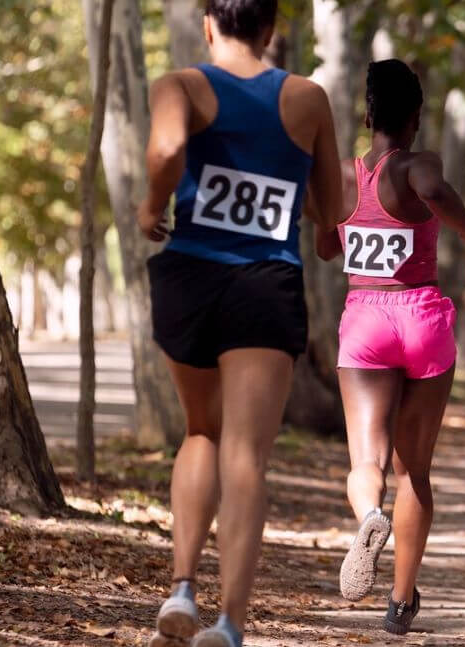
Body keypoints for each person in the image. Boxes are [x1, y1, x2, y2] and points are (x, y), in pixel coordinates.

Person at [136, 0, 342, 645]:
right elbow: (332, 209)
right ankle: (229, 625)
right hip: (263, 284)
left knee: (201, 432)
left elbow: (168, 147)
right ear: (271, 30)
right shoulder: (308, 98)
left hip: (191, 278)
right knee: (247, 455)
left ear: (208, 24)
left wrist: (152, 206)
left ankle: (180, 591)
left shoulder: (182, 86)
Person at [318, 59, 465, 636]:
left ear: (367, 113)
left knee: (366, 461)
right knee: (414, 469)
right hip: (420, 317)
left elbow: (325, 245)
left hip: (365, 320)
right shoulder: (420, 164)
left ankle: (370, 515)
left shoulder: (343, 175)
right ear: (416, 116)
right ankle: (399, 602)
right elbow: (435, 191)